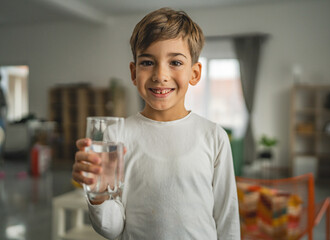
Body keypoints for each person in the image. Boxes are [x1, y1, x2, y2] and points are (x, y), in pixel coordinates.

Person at [72, 7, 240, 240]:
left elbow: (227, 218)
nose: (160, 75)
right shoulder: (116, 136)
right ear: (134, 72)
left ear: (195, 73)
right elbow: (111, 229)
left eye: (176, 63)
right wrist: (98, 192)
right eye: (148, 62)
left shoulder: (213, 136)